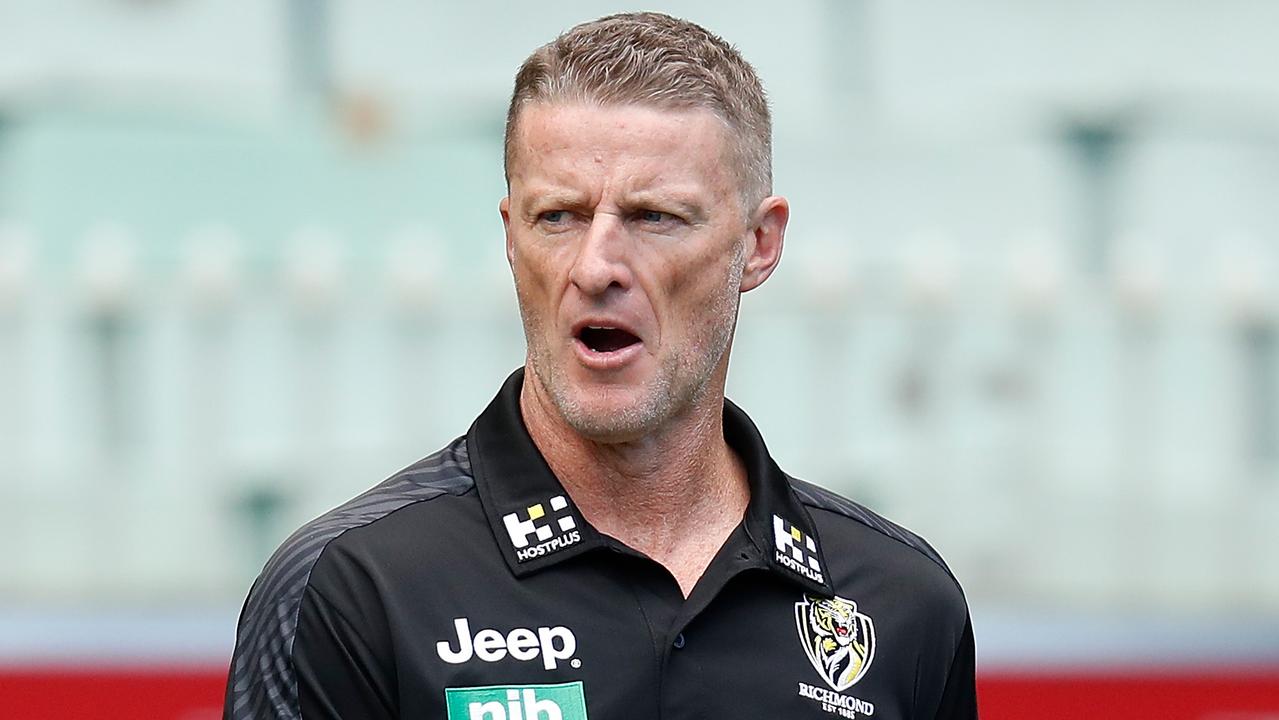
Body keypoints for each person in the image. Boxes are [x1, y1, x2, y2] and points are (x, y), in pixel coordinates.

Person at [225, 12, 977, 720]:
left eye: (654, 217)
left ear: (758, 244)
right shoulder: (352, 587)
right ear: (511, 234)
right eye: (558, 216)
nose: (596, 267)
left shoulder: (900, 601)